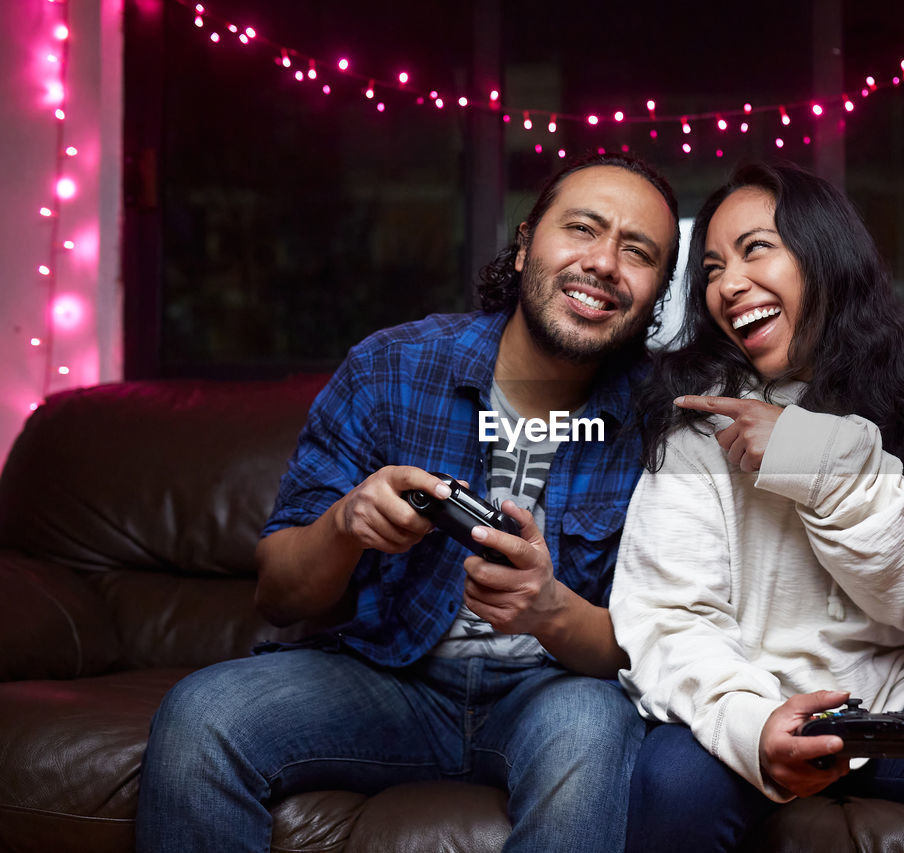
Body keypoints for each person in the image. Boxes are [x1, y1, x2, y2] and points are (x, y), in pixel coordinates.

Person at [135, 152, 680, 853]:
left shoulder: (662, 417)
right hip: (389, 677)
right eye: (583, 228)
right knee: (199, 713)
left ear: (656, 292)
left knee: (594, 733)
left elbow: (661, 649)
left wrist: (550, 610)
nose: (604, 262)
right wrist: (344, 524)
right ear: (523, 247)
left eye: (638, 252)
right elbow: (278, 593)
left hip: (555, 692)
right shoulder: (393, 366)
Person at [610, 162, 904, 852]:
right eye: (712, 267)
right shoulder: (700, 410)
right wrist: (755, 724)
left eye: (756, 249)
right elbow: (669, 613)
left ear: (823, 254)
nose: (727, 284)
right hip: (748, 686)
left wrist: (811, 455)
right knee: (673, 789)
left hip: (899, 680)